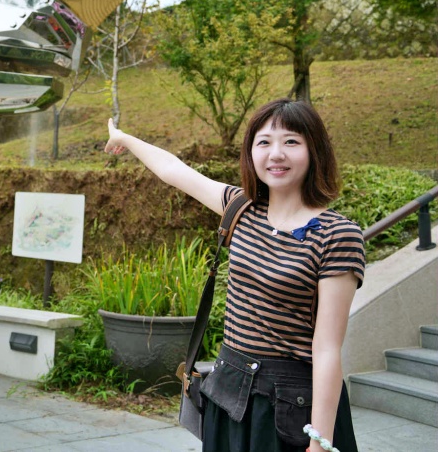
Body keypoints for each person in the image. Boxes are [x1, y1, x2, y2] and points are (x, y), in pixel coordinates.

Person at [104, 99, 364, 452]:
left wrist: (319, 441)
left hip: (289, 406)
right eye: (264, 142)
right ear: (250, 153)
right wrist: (125, 138)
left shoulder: (338, 234)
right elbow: (173, 170)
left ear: (314, 150)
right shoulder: (241, 209)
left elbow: (328, 348)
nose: (276, 154)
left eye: (291, 142)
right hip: (228, 391)